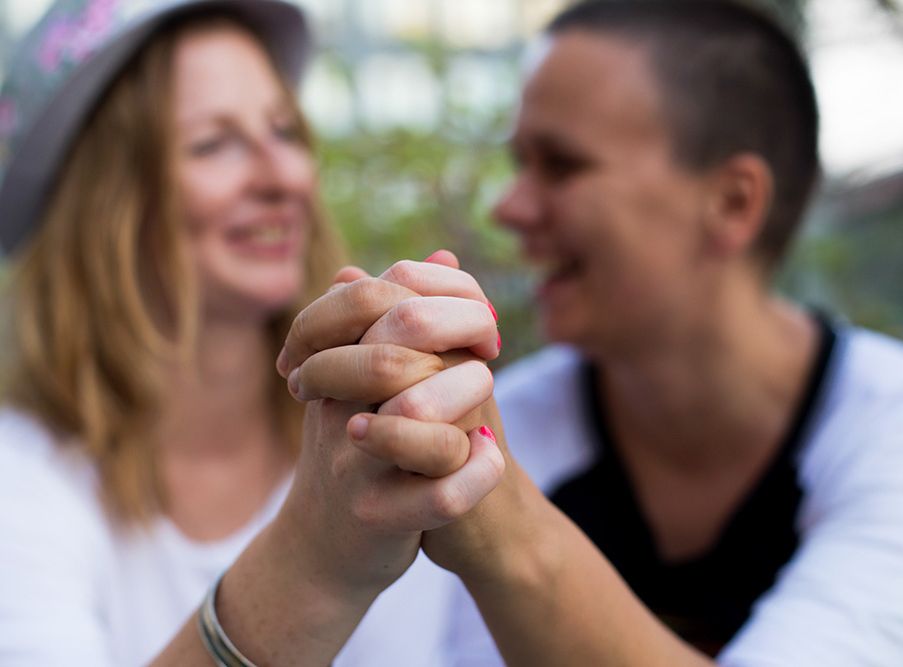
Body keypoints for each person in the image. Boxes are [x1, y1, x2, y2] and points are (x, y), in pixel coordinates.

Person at [277, 0, 903, 665]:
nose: (508, 207)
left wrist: (504, 524)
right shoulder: (512, 419)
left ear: (732, 202)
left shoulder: (884, 424)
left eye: (562, 165)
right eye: (520, 163)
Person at [0, 1, 503, 666]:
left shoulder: (385, 421)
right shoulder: (5, 491)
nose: (284, 176)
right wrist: (313, 559)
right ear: (102, 205)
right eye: (213, 143)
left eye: (285, 131)